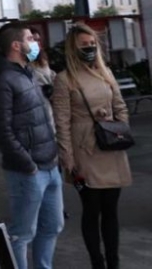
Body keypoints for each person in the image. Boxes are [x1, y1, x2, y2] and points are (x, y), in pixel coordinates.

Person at [51, 24, 132, 269]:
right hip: (83, 151)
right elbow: (62, 121)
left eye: (92, 43)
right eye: (83, 45)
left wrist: (117, 127)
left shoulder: (105, 72)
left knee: (111, 210)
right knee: (91, 208)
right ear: (72, 49)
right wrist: (67, 157)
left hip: (110, 147)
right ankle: (97, 262)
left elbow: (121, 107)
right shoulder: (65, 79)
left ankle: (113, 262)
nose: (89, 48)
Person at [0, 21, 63, 269]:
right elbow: (1, 130)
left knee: (52, 225)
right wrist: (27, 164)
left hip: (50, 166)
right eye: (31, 38)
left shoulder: (27, 73)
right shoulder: (2, 80)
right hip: (28, 171)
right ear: (17, 45)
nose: (36, 43)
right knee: (22, 233)